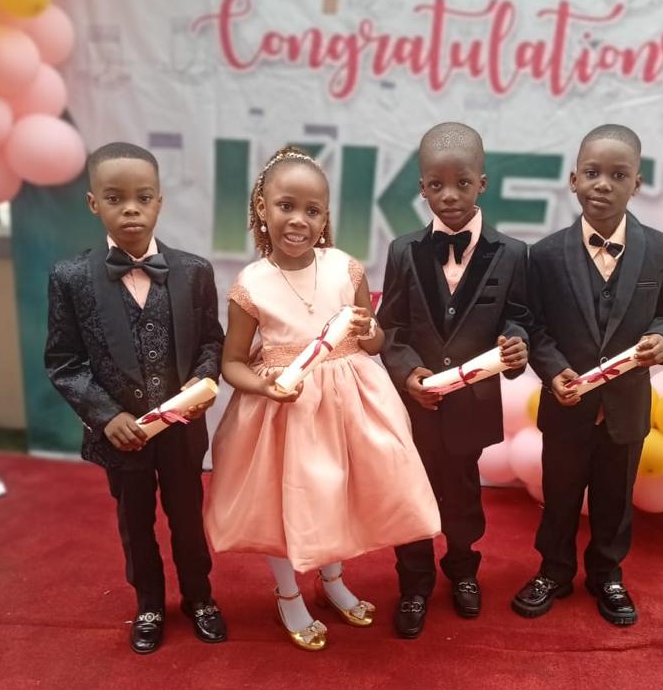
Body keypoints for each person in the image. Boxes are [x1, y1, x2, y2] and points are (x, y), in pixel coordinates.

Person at [205, 145, 440, 652]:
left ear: (326, 216)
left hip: (349, 403)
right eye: (286, 206)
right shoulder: (251, 284)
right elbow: (232, 363)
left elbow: (373, 342)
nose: (299, 220)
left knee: (337, 495)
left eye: (312, 210)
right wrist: (265, 385)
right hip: (284, 412)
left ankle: (332, 582)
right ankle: (288, 593)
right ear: (262, 208)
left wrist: (370, 331)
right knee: (283, 504)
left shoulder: (345, 268)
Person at [45, 142, 227, 655]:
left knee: (188, 519)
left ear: (159, 202)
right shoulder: (71, 277)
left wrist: (203, 382)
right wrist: (106, 416)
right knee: (135, 523)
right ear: (93, 203)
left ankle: (200, 597)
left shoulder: (194, 271)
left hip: (182, 431)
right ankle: (149, 603)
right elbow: (64, 360)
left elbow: (211, 342)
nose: (131, 209)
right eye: (115, 198)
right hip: (121, 438)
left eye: (143, 198)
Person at [512, 124, 663, 627]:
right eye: (592, 173)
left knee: (615, 499)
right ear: (573, 180)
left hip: (626, 408)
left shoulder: (661, 250)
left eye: (618, 175)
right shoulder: (544, 255)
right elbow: (534, 325)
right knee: (560, 496)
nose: (603, 184)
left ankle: (608, 574)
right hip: (568, 406)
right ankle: (553, 570)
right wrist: (552, 371)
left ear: (637, 183)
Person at [377, 122, 531, 639]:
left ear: (482, 183)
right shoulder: (402, 251)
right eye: (436, 185)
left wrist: (516, 344)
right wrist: (407, 373)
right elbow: (391, 329)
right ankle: (414, 583)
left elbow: (519, 319)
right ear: (421, 187)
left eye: (462, 183)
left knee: (464, 496)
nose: (449, 195)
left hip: (472, 406)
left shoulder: (513, 254)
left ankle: (463, 570)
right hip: (416, 408)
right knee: (411, 496)